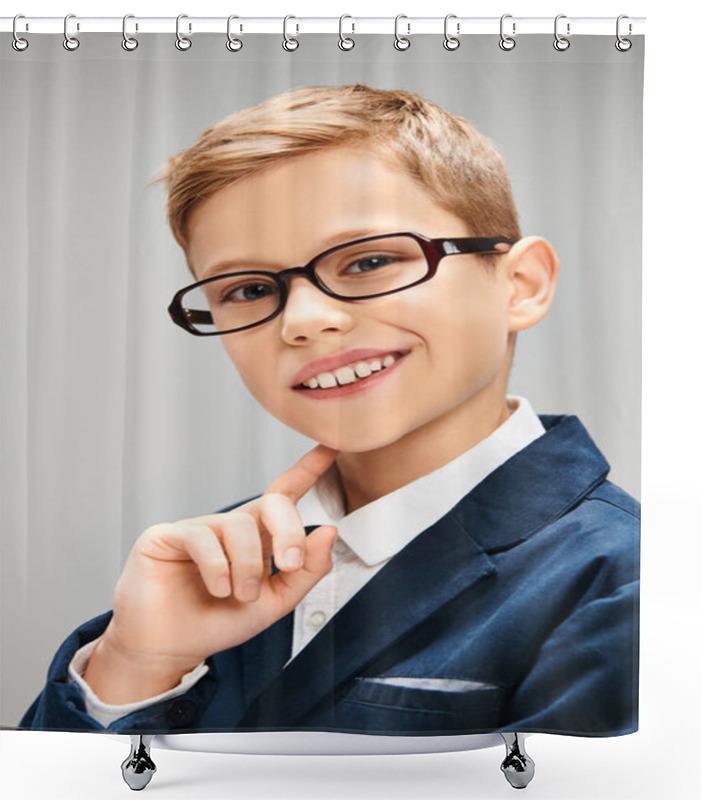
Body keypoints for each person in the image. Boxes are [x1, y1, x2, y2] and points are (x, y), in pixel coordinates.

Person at [20, 84, 639, 736]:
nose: (306, 322)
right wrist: (132, 665)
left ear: (520, 285)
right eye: (251, 289)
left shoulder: (621, 581)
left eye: (371, 260)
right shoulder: (211, 565)